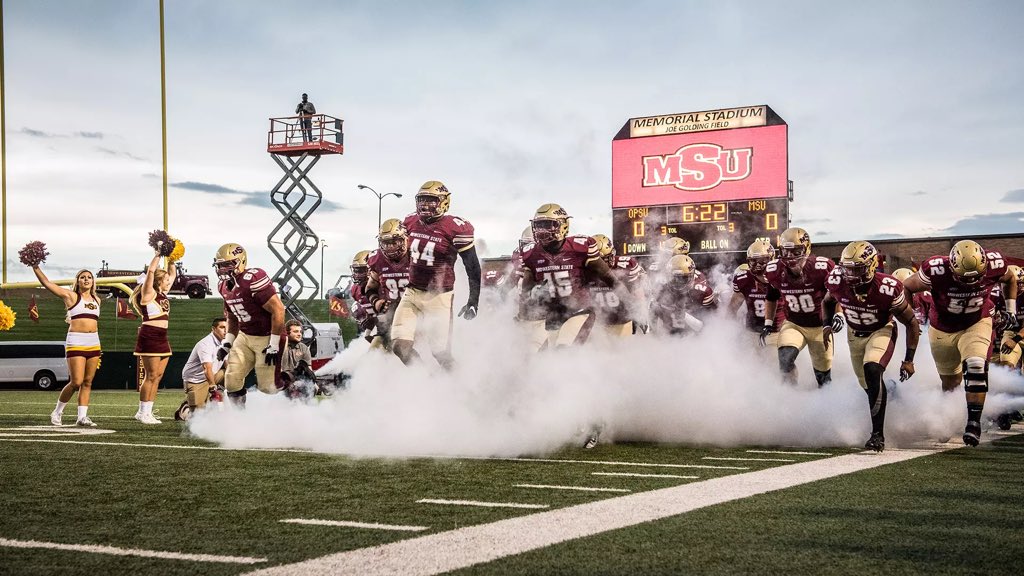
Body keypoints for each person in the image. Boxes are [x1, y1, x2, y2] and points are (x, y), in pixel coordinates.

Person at [901, 239, 1018, 446]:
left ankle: (973, 423)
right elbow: (907, 287)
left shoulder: (995, 263)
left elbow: (1010, 278)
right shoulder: (936, 269)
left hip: (977, 322)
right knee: (951, 383)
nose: (971, 283)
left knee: (976, 364)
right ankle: (947, 418)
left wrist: (1011, 309)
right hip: (942, 328)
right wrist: (914, 318)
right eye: (964, 278)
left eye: (977, 278)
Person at [823, 241, 920, 452]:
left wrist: (909, 360)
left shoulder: (888, 287)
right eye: (846, 268)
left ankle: (878, 435)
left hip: (881, 329)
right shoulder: (837, 280)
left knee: (872, 368)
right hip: (854, 334)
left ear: (870, 266)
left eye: (855, 269)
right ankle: (892, 391)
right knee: (868, 386)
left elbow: (912, 322)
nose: (849, 274)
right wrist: (826, 324)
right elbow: (827, 301)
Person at [390, 180, 481, 369]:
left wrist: (473, 301)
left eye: (431, 200)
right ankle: (426, 380)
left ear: (444, 202)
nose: (425, 205)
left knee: (440, 353)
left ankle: (461, 385)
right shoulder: (410, 221)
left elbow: (472, 266)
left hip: (439, 297)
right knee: (399, 347)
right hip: (412, 292)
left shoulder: (455, 227)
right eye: (422, 200)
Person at [519, 204, 627, 351]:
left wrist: (633, 307)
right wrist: (522, 318)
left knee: (563, 350)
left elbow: (610, 278)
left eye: (548, 224)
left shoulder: (579, 248)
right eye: (538, 225)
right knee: (534, 354)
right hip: (552, 315)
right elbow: (525, 291)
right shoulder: (531, 254)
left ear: (563, 225)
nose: (542, 230)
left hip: (579, 311)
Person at [762, 227, 837, 387]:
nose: (790, 257)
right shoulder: (775, 270)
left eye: (795, 251)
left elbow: (836, 294)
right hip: (794, 324)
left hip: (819, 327)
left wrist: (838, 316)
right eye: (786, 251)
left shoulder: (822, 268)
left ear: (807, 249)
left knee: (823, 377)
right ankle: (791, 395)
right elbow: (771, 297)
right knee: (784, 358)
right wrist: (768, 323)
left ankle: (826, 403)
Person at [213, 243, 287, 405]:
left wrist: (274, 344)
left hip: (267, 336)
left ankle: (296, 382)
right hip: (245, 336)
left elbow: (279, 310)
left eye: (227, 264)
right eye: (220, 265)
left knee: (269, 387)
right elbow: (232, 317)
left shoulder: (252, 279)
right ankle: (240, 420)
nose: (223, 269)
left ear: (242, 261)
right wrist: (227, 343)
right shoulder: (223, 286)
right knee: (231, 381)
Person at [30, 265, 101, 427]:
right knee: (76, 381)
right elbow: (47, 283)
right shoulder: (71, 296)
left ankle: (82, 417)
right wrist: (35, 267)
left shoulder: (97, 300)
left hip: (94, 342)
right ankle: (57, 411)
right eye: (83, 277)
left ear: (93, 281)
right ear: (78, 281)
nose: (86, 279)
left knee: (88, 382)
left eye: (89, 277)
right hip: (76, 340)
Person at [131, 251, 177, 424]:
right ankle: (142, 412)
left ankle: (148, 411)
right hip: (149, 335)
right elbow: (151, 272)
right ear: (158, 281)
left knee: (157, 376)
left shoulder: (163, 294)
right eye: (165, 280)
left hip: (162, 337)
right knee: (150, 376)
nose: (168, 282)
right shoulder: (148, 294)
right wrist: (158, 254)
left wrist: (173, 258)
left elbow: (172, 274)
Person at [363, 219, 411, 350]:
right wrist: (377, 302)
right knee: (375, 351)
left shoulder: (417, 256)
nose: (390, 247)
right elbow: (370, 288)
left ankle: (424, 369)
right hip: (391, 314)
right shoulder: (377, 259)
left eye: (394, 242)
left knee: (403, 348)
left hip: (415, 313)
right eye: (385, 243)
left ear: (405, 238)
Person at [730, 239, 786, 349]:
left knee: (773, 362)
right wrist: (731, 329)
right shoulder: (743, 279)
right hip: (751, 331)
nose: (757, 265)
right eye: (753, 261)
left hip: (776, 331)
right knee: (748, 363)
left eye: (762, 261)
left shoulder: (783, 277)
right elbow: (732, 308)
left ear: (771, 260)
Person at [589, 233, 646, 337]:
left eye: (607, 258)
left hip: (622, 321)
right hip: (597, 324)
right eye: (600, 260)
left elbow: (638, 295)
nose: (604, 264)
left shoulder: (625, 265)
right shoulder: (584, 269)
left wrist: (640, 316)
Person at [651, 254, 717, 335]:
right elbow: (654, 315)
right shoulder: (662, 290)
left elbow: (709, 326)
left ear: (692, 276)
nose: (678, 283)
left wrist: (684, 315)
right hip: (670, 336)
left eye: (683, 278)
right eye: (673, 278)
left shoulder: (702, 291)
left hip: (696, 337)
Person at [175, 317, 227, 421]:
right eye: (222, 327)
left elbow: (228, 363)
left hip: (213, 375)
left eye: (227, 328)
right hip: (196, 380)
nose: (226, 330)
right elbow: (206, 368)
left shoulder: (226, 342)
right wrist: (213, 388)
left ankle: (231, 407)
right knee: (197, 419)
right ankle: (184, 409)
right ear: (213, 329)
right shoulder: (206, 344)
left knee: (233, 375)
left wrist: (232, 386)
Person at [280, 319, 316, 397]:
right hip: (282, 381)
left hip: (299, 382)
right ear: (287, 333)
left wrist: (314, 384)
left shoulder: (304, 348)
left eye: (300, 332)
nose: (299, 334)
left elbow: (309, 369)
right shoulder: (279, 346)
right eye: (296, 331)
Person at [348, 250, 377, 343]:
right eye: (355, 271)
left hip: (390, 324)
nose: (357, 275)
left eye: (360, 271)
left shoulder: (381, 285)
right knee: (355, 308)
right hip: (375, 329)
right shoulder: (355, 290)